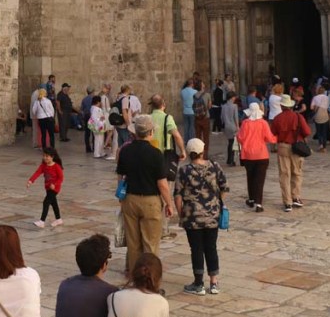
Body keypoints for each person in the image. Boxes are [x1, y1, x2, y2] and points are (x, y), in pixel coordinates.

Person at [117, 115, 174, 273]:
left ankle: (134, 276)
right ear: (151, 132)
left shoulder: (125, 151)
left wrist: (121, 198)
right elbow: (162, 183)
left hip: (130, 199)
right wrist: (169, 203)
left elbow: (120, 177)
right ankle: (148, 277)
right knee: (151, 243)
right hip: (150, 200)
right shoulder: (155, 154)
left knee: (133, 242)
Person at [174, 137, 228, 295]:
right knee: (211, 247)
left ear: (190, 153)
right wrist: (217, 203)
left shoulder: (184, 171)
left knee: (196, 248)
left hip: (192, 217)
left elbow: (177, 195)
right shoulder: (215, 167)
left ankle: (198, 283)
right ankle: (214, 282)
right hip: (212, 214)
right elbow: (224, 187)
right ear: (202, 151)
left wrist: (180, 214)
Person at [270, 94, 312, 211]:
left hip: (283, 146)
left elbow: (272, 132)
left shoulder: (278, 118)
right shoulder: (298, 117)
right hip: (296, 147)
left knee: (284, 174)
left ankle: (287, 202)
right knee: (297, 173)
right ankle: (296, 197)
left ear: (282, 106)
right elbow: (307, 132)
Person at [237, 101, 277, 213]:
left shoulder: (245, 123)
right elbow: (270, 138)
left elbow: (240, 137)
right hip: (261, 154)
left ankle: (251, 199)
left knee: (250, 177)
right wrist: (276, 138)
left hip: (248, 155)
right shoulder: (263, 123)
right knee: (260, 179)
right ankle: (259, 203)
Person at [28, 148, 64, 228]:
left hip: (55, 189)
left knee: (46, 202)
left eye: (47, 156)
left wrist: (55, 184)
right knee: (54, 203)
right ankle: (58, 219)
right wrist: (31, 181)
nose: (45, 158)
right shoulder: (43, 166)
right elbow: (37, 172)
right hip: (48, 188)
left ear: (52, 157)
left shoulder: (57, 167)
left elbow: (61, 178)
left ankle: (42, 221)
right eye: (44, 156)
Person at [149, 95, 185, 160]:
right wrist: (183, 151)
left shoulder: (147, 118)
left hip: (149, 152)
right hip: (163, 153)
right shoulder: (167, 118)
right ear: (163, 104)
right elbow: (177, 136)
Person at [193, 80, 211, 158]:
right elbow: (209, 106)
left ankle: (198, 153)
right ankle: (205, 154)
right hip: (205, 117)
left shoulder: (194, 95)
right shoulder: (207, 95)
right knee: (206, 137)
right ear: (201, 86)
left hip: (197, 118)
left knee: (198, 136)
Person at [221, 95, 240, 166]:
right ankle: (231, 160)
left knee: (230, 143)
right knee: (233, 144)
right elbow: (236, 117)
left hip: (226, 126)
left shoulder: (223, 106)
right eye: (234, 97)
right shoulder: (234, 106)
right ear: (232, 97)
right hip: (233, 126)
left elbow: (222, 117)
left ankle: (229, 160)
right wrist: (238, 126)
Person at [310, 84, 330, 152]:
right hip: (325, 115)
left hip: (318, 115)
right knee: (324, 132)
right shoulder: (327, 97)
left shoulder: (315, 98)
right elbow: (328, 106)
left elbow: (311, 107)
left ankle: (320, 144)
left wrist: (316, 107)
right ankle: (324, 147)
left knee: (319, 131)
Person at [180, 79, 196, 144]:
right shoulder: (195, 91)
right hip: (192, 111)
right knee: (192, 126)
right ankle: (191, 140)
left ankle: (186, 140)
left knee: (186, 126)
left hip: (185, 111)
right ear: (192, 84)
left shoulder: (182, 91)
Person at [81, 86, 96, 153]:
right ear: (92, 91)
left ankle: (88, 148)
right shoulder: (94, 99)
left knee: (87, 133)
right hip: (92, 116)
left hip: (86, 116)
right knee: (94, 132)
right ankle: (94, 147)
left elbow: (82, 109)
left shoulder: (84, 99)